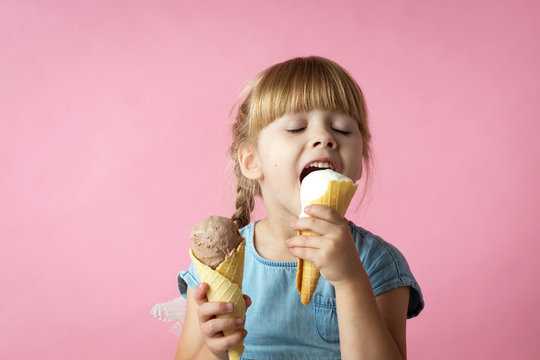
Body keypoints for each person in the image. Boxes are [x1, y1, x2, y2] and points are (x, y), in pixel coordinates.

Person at [174, 55, 425, 360]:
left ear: (361, 161)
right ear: (251, 160)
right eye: (295, 128)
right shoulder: (215, 267)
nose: (325, 138)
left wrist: (349, 280)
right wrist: (215, 351)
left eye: (343, 129)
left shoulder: (376, 262)